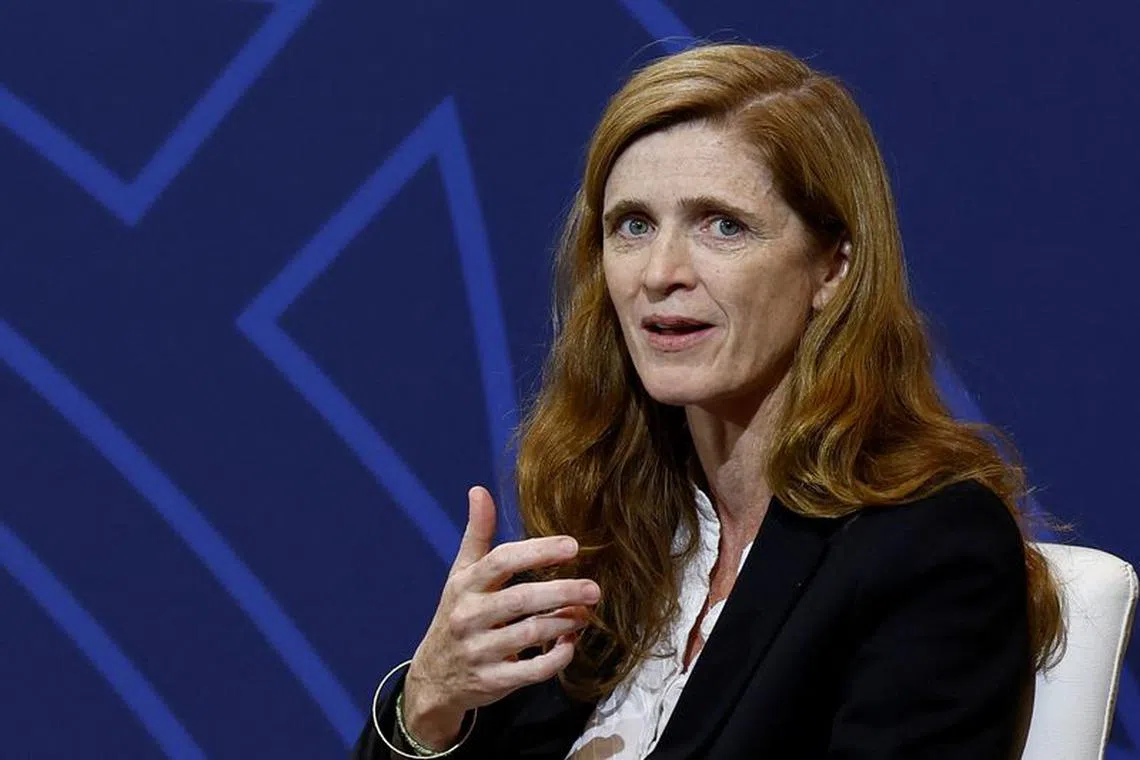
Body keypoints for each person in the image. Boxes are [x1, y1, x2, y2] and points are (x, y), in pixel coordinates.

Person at [353, 42, 1063, 759]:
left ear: (833, 268)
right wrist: (430, 705)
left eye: (722, 225)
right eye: (632, 225)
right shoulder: (610, 538)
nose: (660, 272)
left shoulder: (927, 548)